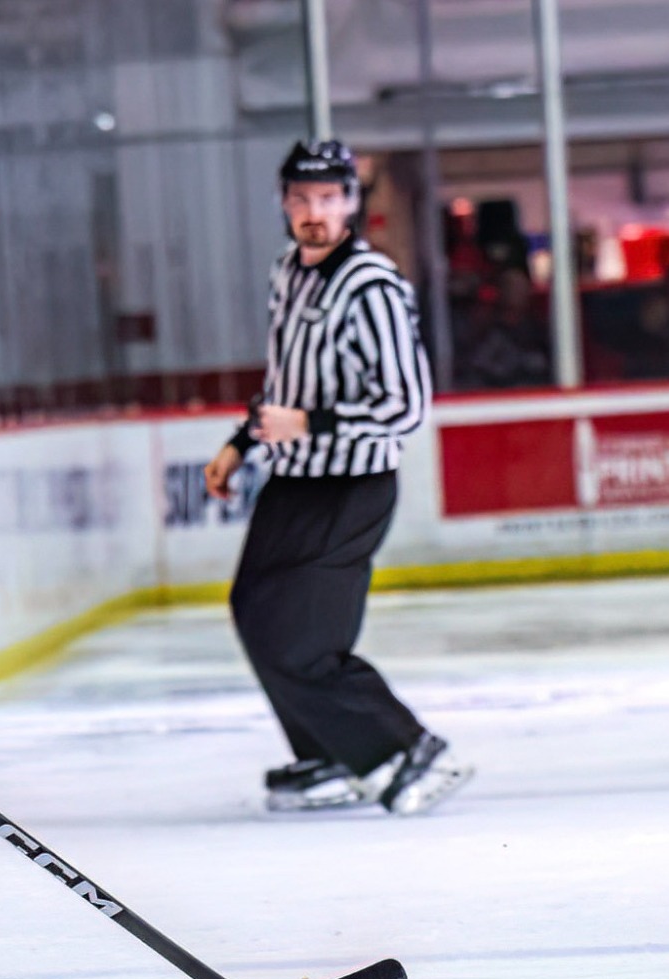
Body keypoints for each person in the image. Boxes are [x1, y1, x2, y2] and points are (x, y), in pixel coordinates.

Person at [202, 139, 470, 816]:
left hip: (350, 486)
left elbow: (406, 404)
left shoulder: (373, 286)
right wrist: (242, 441)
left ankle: (400, 747)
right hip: (294, 479)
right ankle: (326, 751)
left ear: (352, 202)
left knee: (302, 639)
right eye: (300, 198)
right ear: (283, 203)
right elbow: (287, 384)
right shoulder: (288, 272)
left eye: (327, 198)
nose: (313, 212)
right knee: (255, 610)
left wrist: (310, 424)